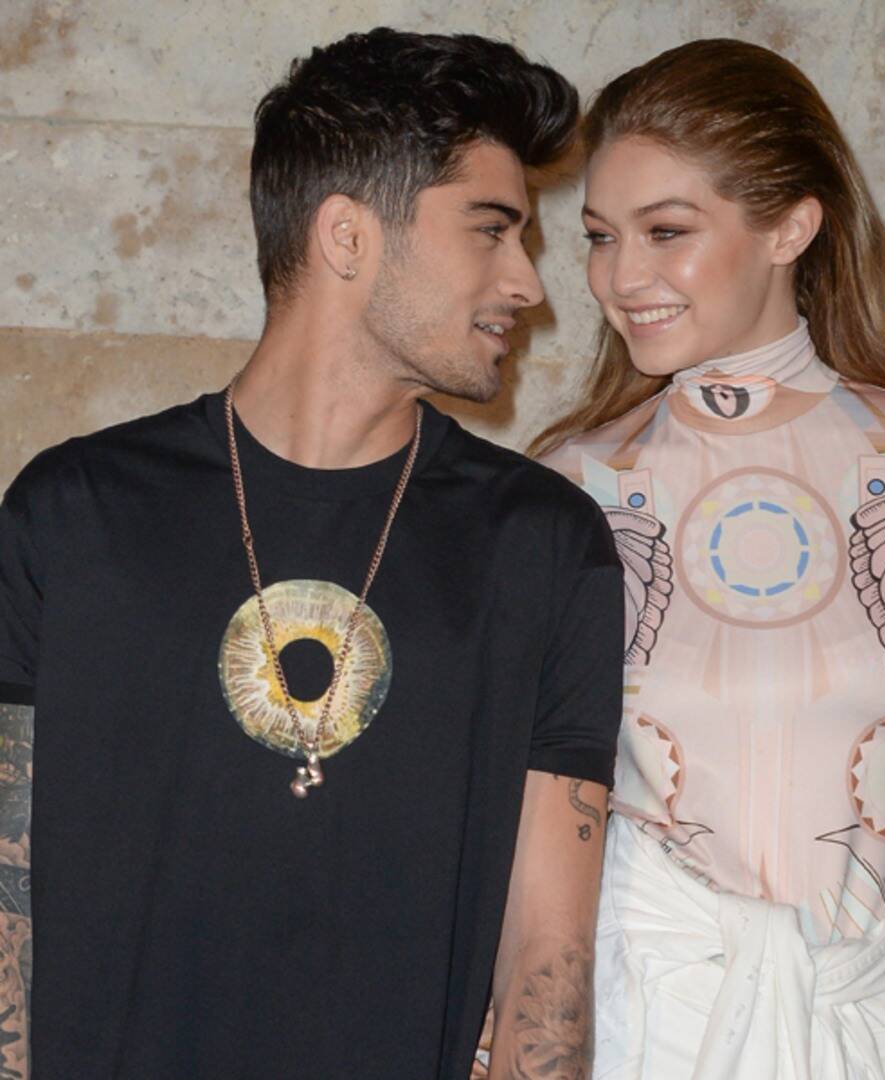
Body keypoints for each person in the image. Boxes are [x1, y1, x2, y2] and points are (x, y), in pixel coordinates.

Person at [0, 28, 623, 1079]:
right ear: (346, 236)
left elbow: (546, 968)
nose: (529, 283)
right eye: (492, 229)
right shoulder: (73, 514)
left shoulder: (543, 547)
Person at [535, 38, 885, 1080]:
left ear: (791, 226)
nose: (620, 277)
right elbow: (524, 845)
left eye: (666, 231)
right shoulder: (565, 491)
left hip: (874, 1039)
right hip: (636, 1037)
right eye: (600, 236)